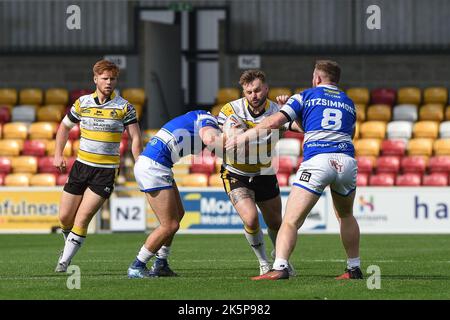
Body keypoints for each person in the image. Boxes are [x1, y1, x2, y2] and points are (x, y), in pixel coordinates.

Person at [226, 60, 362, 280]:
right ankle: (354, 268)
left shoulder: (304, 96)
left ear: (317, 78)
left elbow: (273, 123)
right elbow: (351, 132)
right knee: (346, 215)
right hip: (346, 161)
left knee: (289, 221)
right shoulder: (349, 103)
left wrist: (242, 137)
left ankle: (279, 267)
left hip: (318, 160)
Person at [54, 60, 142, 272]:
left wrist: (139, 162)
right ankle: (68, 246)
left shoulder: (125, 107)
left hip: (106, 171)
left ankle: (64, 262)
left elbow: (135, 137)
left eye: (112, 79)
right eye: (105, 78)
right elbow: (64, 128)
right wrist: (58, 154)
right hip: (81, 166)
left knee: (83, 217)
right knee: (65, 217)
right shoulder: (82, 103)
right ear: (95, 79)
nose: (109, 82)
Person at [218, 70, 301, 275]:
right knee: (251, 219)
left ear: (266, 89)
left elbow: (302, 127)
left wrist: (292, 110)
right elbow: (233, 143)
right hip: (236, 173)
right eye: (248, 92)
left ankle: (281, 259)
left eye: (257, 90)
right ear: (243, 92)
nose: (253, 95)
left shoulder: (277, 110)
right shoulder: (230, 110)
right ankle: (264, 261)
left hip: (264, 172)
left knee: (276, 222)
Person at [127, 110, 223, 278]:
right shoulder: (208, 120)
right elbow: (211, 140)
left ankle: (161, 263)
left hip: (157, 164)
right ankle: (137, 265)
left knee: (178, 215)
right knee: (169, 225)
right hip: (155, 165)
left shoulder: (201, 118)